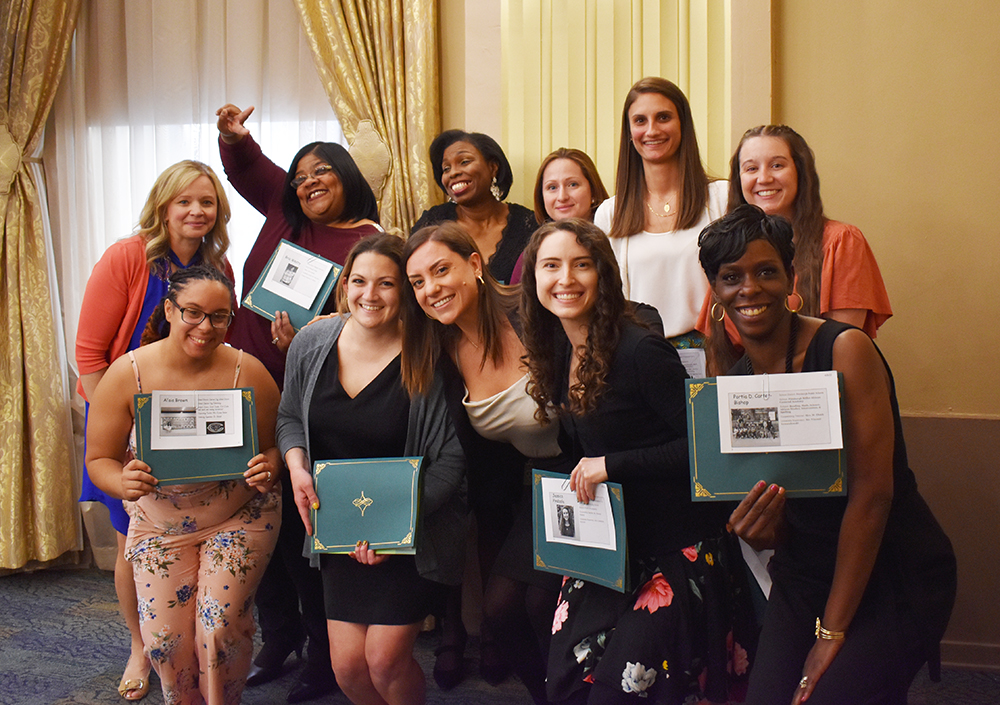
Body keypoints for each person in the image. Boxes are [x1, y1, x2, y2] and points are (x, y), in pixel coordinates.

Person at [698, 205, 956, 705]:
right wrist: (770, 532)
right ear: (715, 291)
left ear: (791, 278)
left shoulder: (845, 350)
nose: (749, 288)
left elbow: (873, 496)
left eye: (765, 271)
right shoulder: (735, 387)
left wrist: (829, 637)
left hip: (891, 569)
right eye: (732, 277)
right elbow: (782, 512)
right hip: (806, 574)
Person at [520, 218, 743, 704]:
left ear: (603, 274)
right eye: (551, 266)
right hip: (609, 548)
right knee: (566, 681)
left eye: (582, 265)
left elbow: (707, 448)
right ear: (533, 277)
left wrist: (611, 464)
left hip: (672, 551)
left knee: (624, 690)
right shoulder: (557, 347)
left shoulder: (641, 349)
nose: (566, 279)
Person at [216, 103, 381, 701]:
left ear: (348, 178)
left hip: (308, 399)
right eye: (301, 175)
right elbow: (252, 170)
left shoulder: (370, 243)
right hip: (243, 385)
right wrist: (234, 139)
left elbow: (367, 332)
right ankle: (278, 634)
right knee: (253, 513)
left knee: (300, 532)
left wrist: (305, 344)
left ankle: (318, 651)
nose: (308, 183)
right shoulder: (282, 217)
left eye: (323, 173)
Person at [276, 234, 467, 705]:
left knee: (383, 663)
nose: (370, 294)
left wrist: (394, 528)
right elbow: (288, 420)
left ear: (404, 291)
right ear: (344, 284)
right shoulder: (312, 342)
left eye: (386, 283)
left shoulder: (430, 355)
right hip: (338, 530)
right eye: (359, 281)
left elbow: (451, 461)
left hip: (408, 534)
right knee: (347, 670)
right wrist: (297, 468)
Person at [85, 264, 282, 705]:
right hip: (159, 521)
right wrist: (122, 479)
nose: (205, 327)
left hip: (239, 513)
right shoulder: (127, 374)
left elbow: (277, 448)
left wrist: (268, 468)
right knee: (166, 642)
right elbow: (98, 459)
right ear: (170, 310)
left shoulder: (246, 372)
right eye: (193, 312)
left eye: (219, 316)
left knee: (218, 626)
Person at [75, 160, 234, 701]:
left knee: (187, 540)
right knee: (133, 543)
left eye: (206, 202)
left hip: (190, 430)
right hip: (126, 432)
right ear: (163, 207)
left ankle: (181, 638)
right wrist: (119, 435)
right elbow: (90, 357)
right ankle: (141, 646)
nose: (196, 211)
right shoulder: (127, 257)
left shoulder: (220, 267)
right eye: (184, 201)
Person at [401, 223, 565, 703]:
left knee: (539, 606)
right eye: (418, 282)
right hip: (528, 494)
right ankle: (549, 696)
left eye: (440, 270)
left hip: (591, 476)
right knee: (499, 611)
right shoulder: (439, 348)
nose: (431, 289)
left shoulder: (532, 311)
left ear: (474, 264)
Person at [697, 124, 893, 373]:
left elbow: (840, 352)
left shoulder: (841, 242)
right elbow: (717, 354)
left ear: (801, 173)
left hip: (818, 396)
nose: (764, 178)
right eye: (751, 168)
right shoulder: (725, 251)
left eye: (777, 165)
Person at [595, 77, 728, 354]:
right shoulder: (610, 213)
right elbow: (605, 302)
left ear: (683, 124)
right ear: (629, 132)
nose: (652, 130)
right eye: (640, 120)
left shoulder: (721, 199)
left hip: (717, 354)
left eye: (663, 117)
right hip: (642, 358)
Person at [411, 129, 535, 285]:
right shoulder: (432, 222)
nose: (453, 173)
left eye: (464, 162)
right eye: (446, 169)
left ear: (493, 167)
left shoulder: (529, 225)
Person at [509, 147, 609, 286]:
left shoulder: (617, 241)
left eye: (572, 184)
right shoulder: (533, 254)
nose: (562, 197)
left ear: (593, 191)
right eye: (552, 187)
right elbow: (515, 305)